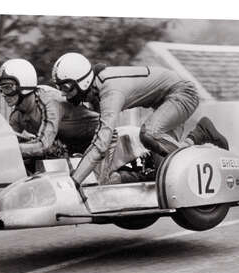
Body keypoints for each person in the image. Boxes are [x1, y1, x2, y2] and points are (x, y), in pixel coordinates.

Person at [51, 52, 229, 186]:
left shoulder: (110, 92)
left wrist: (74, 181)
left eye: (66, 87)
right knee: (164, 172)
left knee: (148, 134)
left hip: (182, 93)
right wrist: (102, 177)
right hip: (163, 102)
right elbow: (108, 135)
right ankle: (198, 135)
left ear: (82, 82)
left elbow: (101, 142)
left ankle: (202, 139)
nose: (63, 93)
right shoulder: (94, 90)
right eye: (60, 87)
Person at [0, 58, 101, 163]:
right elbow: (8, 141)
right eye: (1, 89)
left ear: (24, 84)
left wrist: (7, 149)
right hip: (72, 149)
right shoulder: (17, 115)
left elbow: (43, 145)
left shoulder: (49, 100)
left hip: (98, 139)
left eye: (8, 88)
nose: (3, 94)